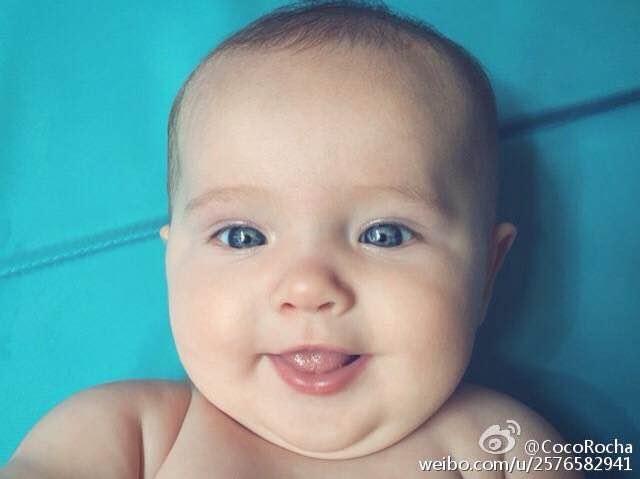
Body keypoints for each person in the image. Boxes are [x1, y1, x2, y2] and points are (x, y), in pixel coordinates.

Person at [1, 1, 583, 477]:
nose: (308, 287)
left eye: (384, 234)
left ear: (487, 273)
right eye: (242, 236)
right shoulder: (129, 437)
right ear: (173, 262)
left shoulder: (501, 449)